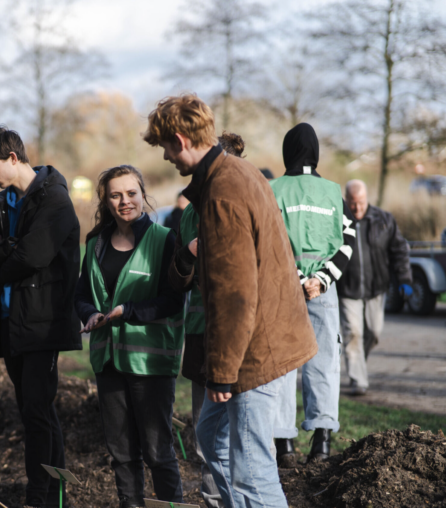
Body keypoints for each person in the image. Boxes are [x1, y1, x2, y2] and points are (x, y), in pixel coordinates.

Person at [145, 94, 317, 508]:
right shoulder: (238, 171)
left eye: (166, 146)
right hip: (262, 336)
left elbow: (235, 292)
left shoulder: (224, 191)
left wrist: (222, 372)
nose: (166, 156)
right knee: (210, 437)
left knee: (252, 468)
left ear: (181, 139)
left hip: (256, 349)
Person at [0, 127, 81, 508]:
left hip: (43, 323)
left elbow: (32, 257)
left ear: (14, 159)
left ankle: (39, 498)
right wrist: (9, 248)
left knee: (36, 412)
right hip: (11, 321)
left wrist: (7, 251)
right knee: (36, 411)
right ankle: (55, 493)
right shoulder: (3, 203)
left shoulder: (56, 201)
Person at [75, 165, 184, 508]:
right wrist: (90, 313)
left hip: (149, 362)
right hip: (108, 361)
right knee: (121, 453)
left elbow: (172, 299)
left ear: (143, 194)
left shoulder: (165, 239)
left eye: (131, 193)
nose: (125, 201)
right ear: (105, 201)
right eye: (116, 195)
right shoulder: (95, 243)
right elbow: (82, 293)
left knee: (157, 452)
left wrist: (129, 311)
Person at [269, 123, 358, 467]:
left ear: (287, 151)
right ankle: (321, 442)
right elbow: (348, 241)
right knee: (324, 363)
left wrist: (294, 277)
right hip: (323, 291)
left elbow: (269, 242)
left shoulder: (272, 189)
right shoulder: (333, 192)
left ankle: (284, 444)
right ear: (316, 153)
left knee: (282, 365)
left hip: (283, 291)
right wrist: (321, 279)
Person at [169, 131, 246, 508]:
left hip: (245, 340)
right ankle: (216, 501)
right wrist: (187, 255)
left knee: (246, 439)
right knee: (207, 436)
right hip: (202, 340)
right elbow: (178, 275)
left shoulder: (249, 203)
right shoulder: (190, 213)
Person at [337, 179, 412, 396]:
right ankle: (358, 380)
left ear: (366, 198)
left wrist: (405, 280)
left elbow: (399, 250)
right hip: (347, 290)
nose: (357, 208)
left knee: (373, 332)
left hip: (376, 289)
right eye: (352, 203)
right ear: (346, 199)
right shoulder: (338, 220)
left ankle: (359, 359)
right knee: (353, 333)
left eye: (360, 202)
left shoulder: (384, 220)